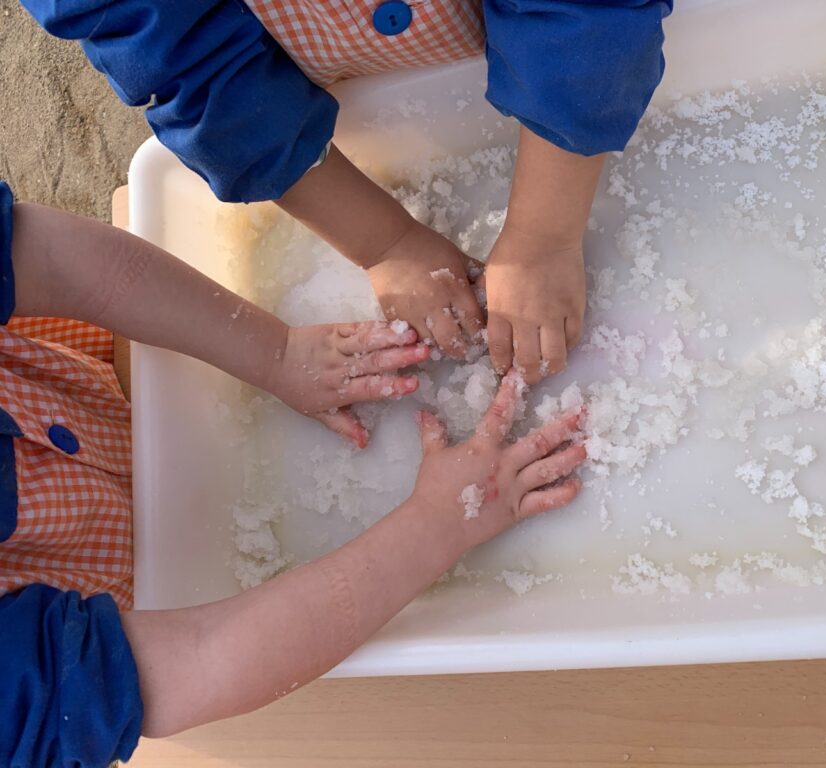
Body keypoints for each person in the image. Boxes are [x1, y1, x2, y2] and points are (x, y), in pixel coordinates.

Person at [0, 183, 587, 765]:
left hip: (94, 403)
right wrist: (442, 522)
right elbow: (198, 660)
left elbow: (58, 261)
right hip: (126, 612)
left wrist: (274, 352)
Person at [19, 0, 673, 384]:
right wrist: (384, 243)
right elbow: (198, 78)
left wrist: (542, 234)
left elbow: (590, 21)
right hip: (323, 68)